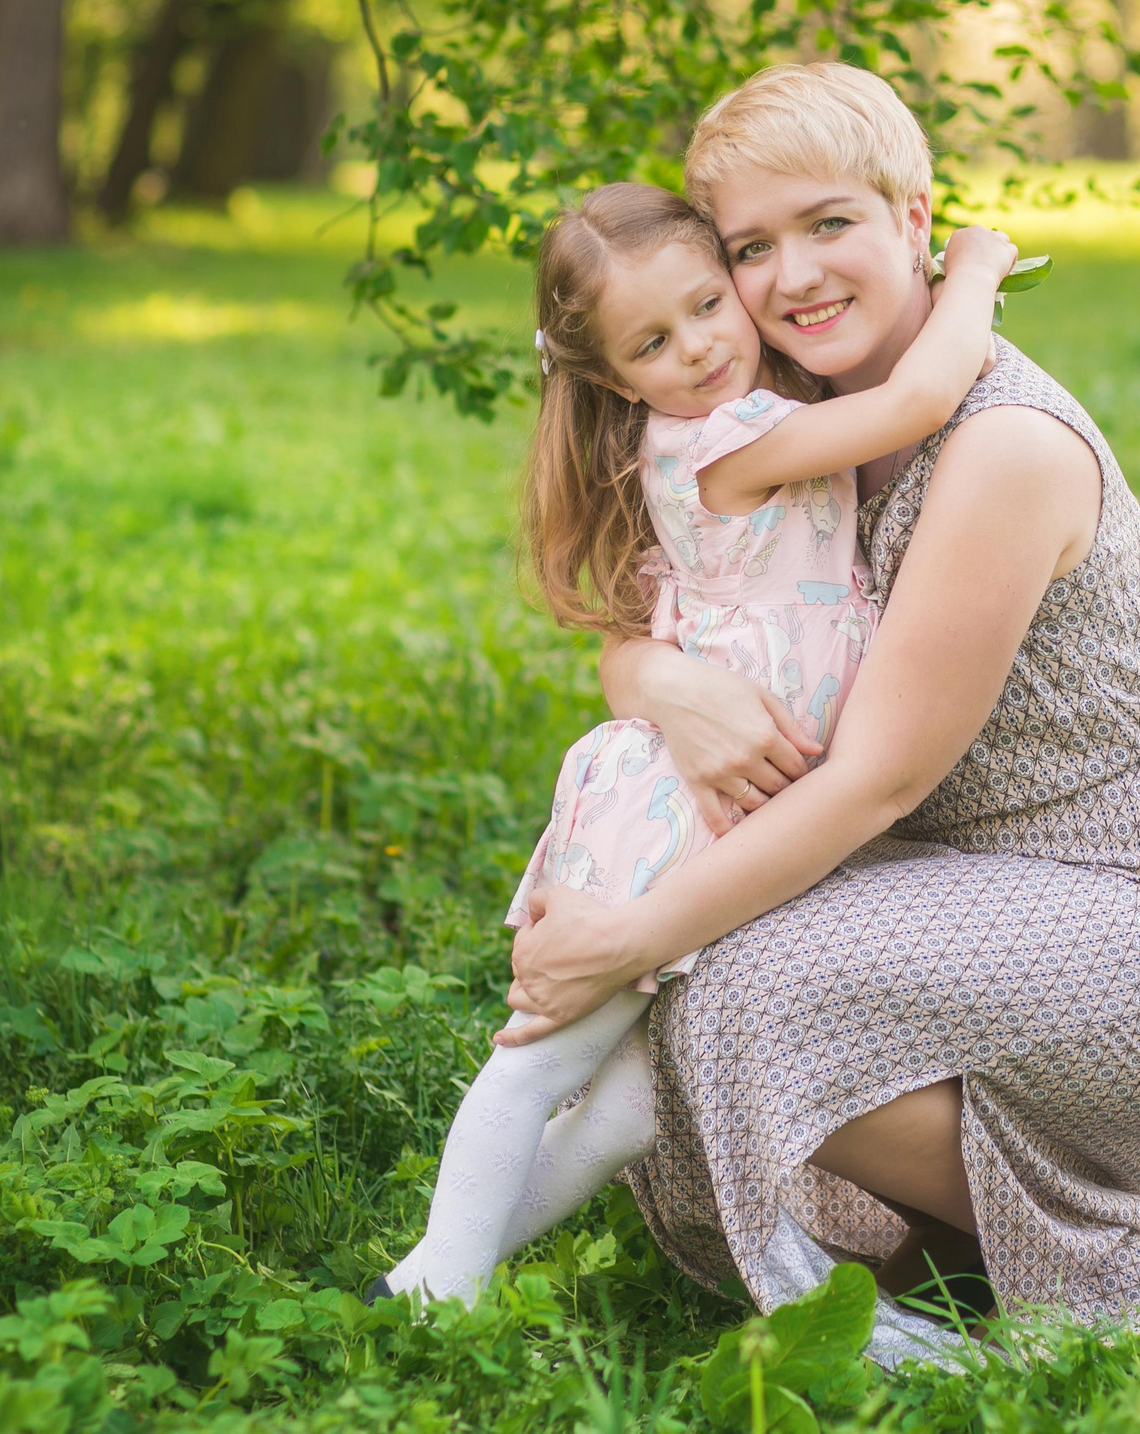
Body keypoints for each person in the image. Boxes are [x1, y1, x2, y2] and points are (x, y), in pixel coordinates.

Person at [503, 64, 1140, 1358]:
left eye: (829, 223)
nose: (791, 277)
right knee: (681, 891)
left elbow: (876, 781)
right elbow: (668, 609)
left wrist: (628, 939)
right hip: (984, 876)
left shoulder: (996, 442)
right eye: (752, 247)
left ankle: (1126, 1267)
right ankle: (970, 1239)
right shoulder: (795, 411)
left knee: (718, 971)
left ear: (915, 216)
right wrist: (658, 682)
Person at [373, 181, 1014, 1305]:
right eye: (653, 342)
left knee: (625, 1101)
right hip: (689, 803)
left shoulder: (728, 421)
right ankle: (443, 1286)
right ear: (617, 379)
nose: (702, 347)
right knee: (546, 1053)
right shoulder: (727, 438)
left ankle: (433, 1277)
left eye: (709, 305)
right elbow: (917, 398)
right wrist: (975, 271)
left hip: (728, 789)